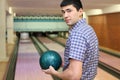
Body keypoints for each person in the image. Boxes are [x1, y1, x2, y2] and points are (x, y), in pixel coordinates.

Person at [43, 0, 99, 80]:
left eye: (69, 11)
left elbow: (74, 76)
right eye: (63, 12)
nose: (65, 15)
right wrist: (67, 63)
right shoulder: (88, 29)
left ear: (80, 11)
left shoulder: (77, 34)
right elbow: (86, 60)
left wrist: (54, 73)